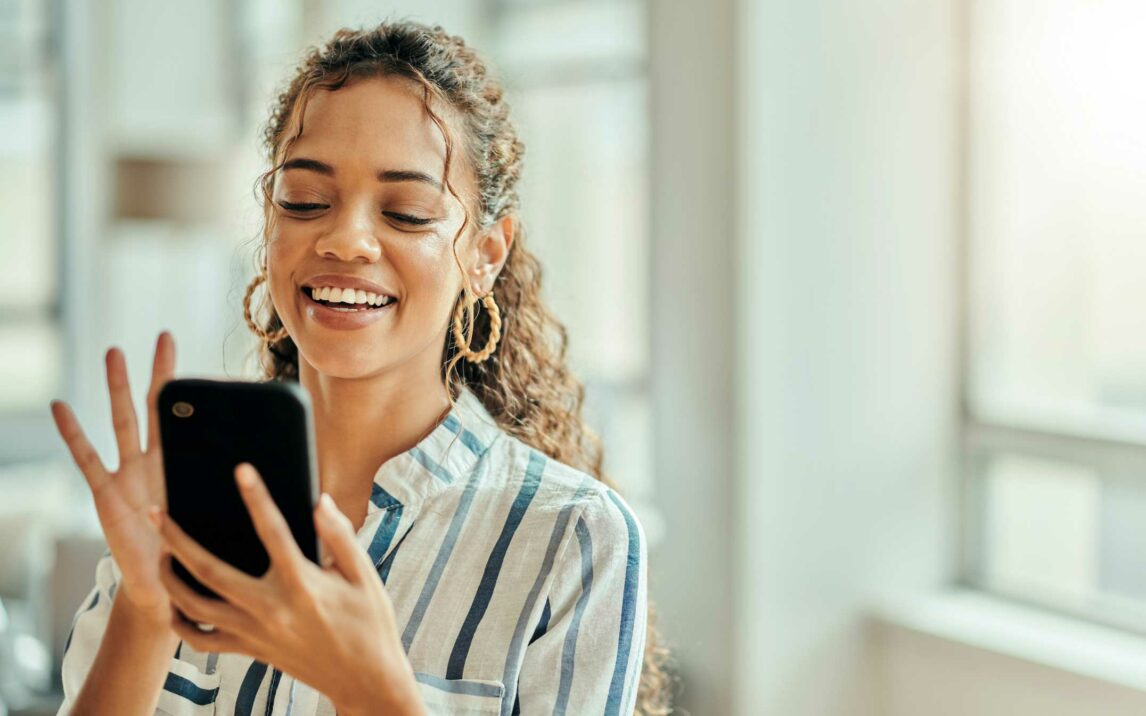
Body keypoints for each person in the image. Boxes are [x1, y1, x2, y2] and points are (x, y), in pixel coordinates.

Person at [48, 19, 673, 716]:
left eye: (406, 212)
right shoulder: (187, 497)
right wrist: (143, 608)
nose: (344, 239)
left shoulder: (571, 537)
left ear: (486, 254)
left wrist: (372, 692)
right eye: (306, 201)